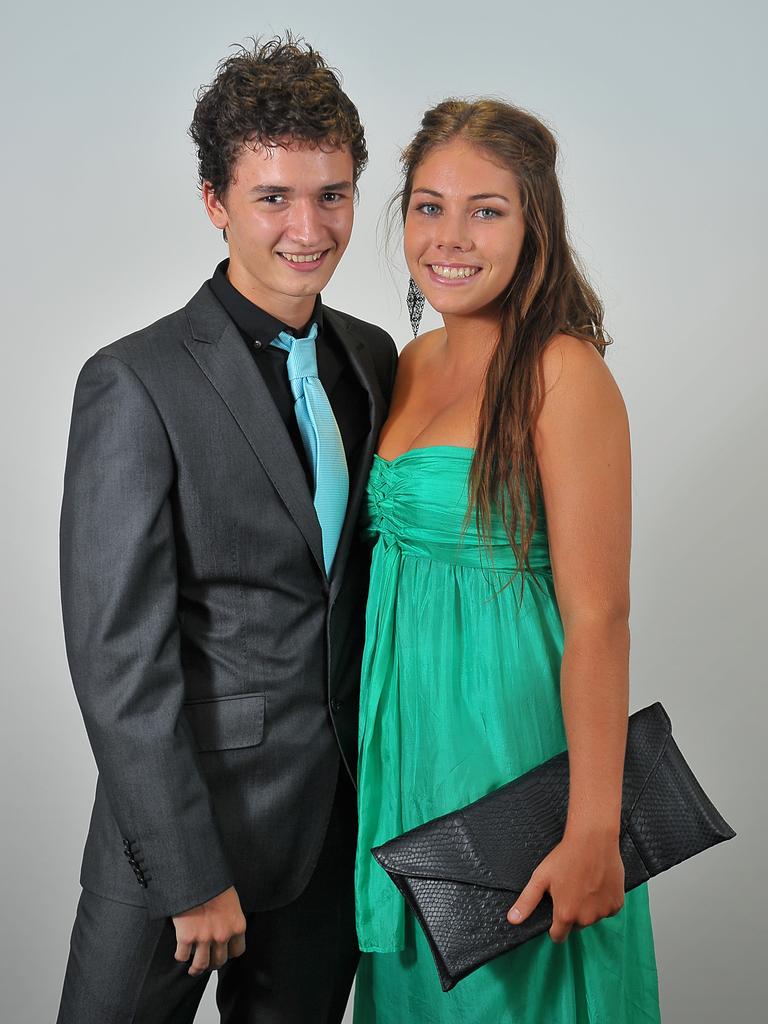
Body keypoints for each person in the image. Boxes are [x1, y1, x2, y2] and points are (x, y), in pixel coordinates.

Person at [56, 36, 397, 1024]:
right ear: (216, 201)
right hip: (177, 836)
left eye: (332, 193)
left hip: (329, 833)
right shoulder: (135, 383)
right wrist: (187, 871)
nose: (309, 225)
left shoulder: (371, 360)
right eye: (274, 196)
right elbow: (119, 657)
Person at [353, 99, 661, 1022]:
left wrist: (594, 826)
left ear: (536, 226)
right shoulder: (408, 361)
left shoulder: (565, 374)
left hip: (509, 743)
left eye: (486, 210)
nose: (449, 236)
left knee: (509, 995)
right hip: (408, 749)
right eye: (428, 205)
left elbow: (600, 615)